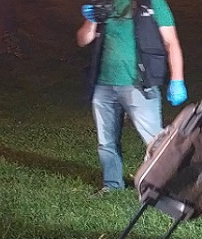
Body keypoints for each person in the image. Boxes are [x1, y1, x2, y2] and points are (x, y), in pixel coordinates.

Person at [77, 0, 187, 194]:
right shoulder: (103, 3)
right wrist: (90, 20)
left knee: (155, 140)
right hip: (104, 84)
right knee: (106, 142)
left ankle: (170, 185)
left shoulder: (153, 3)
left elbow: (171, 42)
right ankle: (111, 185)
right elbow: (83, 40)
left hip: (138, 85)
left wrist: (177, 79)